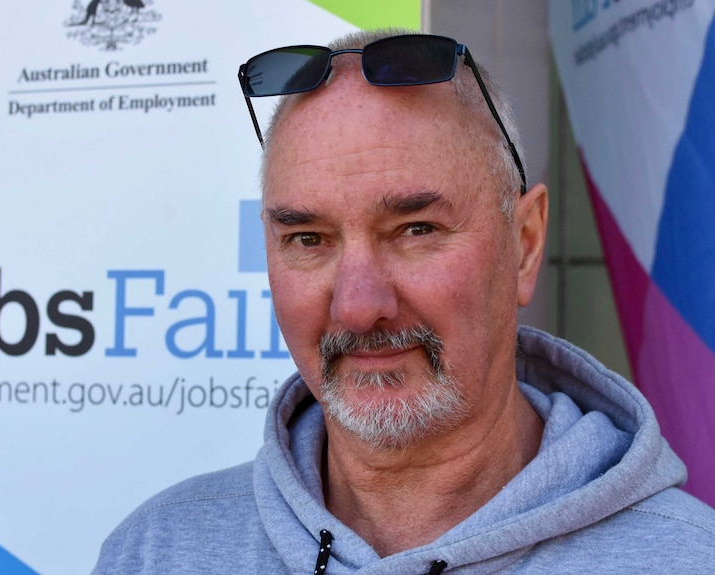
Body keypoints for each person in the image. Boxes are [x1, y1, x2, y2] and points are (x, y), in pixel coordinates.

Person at [92, 28, 715, 574]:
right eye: (308, 239)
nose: (359, 307)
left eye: (416, 230)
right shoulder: (155, 552)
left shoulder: (687, 559)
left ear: (524, 246)